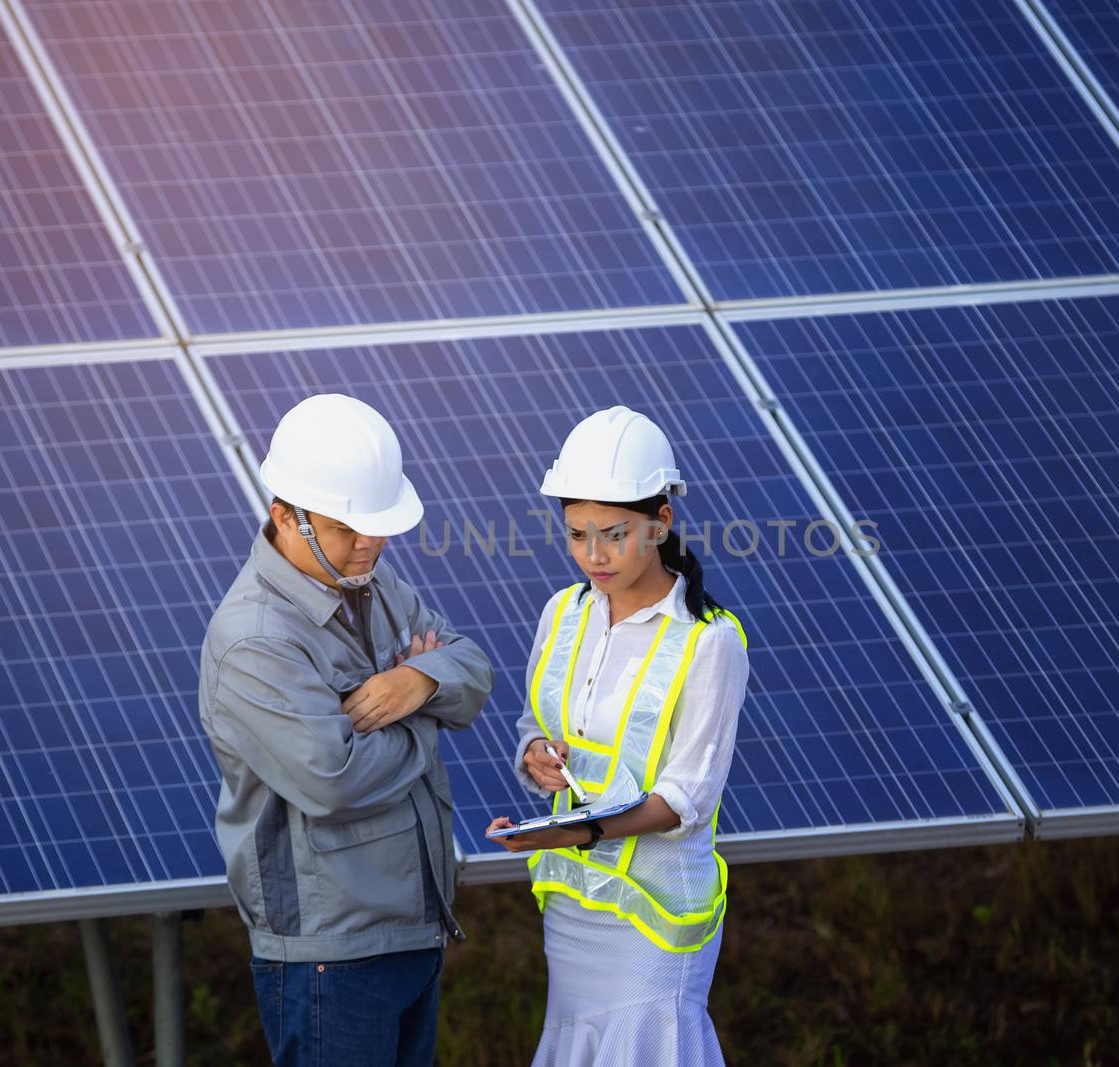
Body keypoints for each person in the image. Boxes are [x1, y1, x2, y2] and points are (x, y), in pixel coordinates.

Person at [199, 394, 493, 1067]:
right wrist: (428, 715)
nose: (370, 543)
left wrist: (414, 682)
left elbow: (473, 666)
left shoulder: (374, 580)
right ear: (284, 516)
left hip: (409, 930)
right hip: (333, 955)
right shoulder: (255, 638)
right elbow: (334, 778)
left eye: (378, 527)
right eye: (345, 528)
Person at [487, 405, 750, 1066]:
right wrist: (533, 757)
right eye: (577, 534)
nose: (593, 554)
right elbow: (536, 723)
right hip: (573, 906)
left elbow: (688, 796)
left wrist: (584, 830)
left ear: (661, 523)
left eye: (614, 533)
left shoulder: (708, 641)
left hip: (655, 919)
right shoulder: (563, 612)